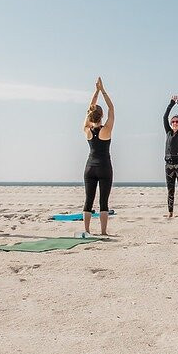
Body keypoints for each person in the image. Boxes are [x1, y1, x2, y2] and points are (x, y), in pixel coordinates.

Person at [83, 77, 114, 236]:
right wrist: (102, 90)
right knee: (103, 202)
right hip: (104, 167)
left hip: (90, 167)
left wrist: (95, 91)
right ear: (101, 116)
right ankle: (103, 232)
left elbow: (89, 109)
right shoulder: (106, 129)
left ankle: (87, 231)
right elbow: (111, 108)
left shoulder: (87, 129)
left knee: (88, 201)